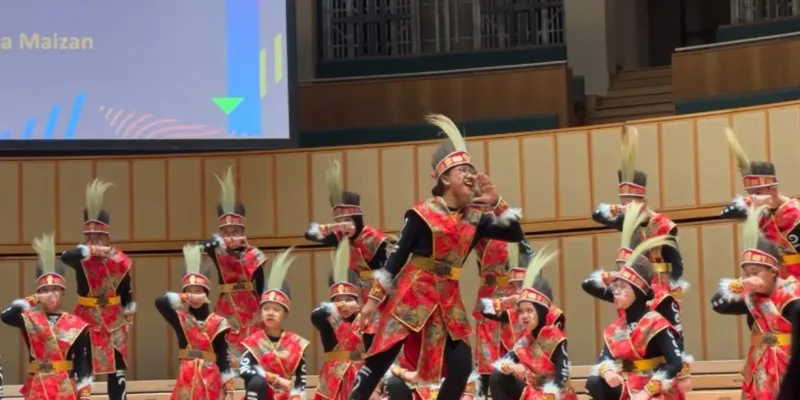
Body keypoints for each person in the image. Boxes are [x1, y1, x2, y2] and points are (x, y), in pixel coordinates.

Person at [348, 114, 526, 400]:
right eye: (462, 170)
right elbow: (396, 259)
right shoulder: (422, 212)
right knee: (380, 359)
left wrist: (498, 202)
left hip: (448, 299)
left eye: (472, 170)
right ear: (445, 179)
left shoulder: (476, 219)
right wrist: (371, 303)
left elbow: (515, 233)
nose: (471, 175)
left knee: (460, 365)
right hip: (413, 293)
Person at [582, 202, 692, 385]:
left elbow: (677, 336)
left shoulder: (661, 297)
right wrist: (613, 277)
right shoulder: (620, 292)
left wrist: (683, 376)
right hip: (629, 377)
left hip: (657, 379)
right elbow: (588, 285)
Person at [710, 205, 800, 399]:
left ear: (773, 271)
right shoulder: (751, 297)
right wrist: (740, 285)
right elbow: (717, 304)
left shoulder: (791, 294)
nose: (750, 278)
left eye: (756, 272)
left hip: (787, 365)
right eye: (746, 273)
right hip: (759, 365)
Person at [585, 236, 684, 400]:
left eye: (623, 287)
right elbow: (604, 358)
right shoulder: (616, 327)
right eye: (616, 287)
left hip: (654, 387)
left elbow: (675, 363)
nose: (616, 292)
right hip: (629, 382)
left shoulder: (655, 321)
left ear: (638, 292)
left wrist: (647, 391)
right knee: (595, 382)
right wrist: (608, 371)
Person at [60, 179, 134, 400]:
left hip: (114, 319)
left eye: (99, 237)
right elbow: (65, 257)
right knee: (83, 364)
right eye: (89, 238)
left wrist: (128, 318)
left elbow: (127, 292)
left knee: (117, 367)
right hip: (86, 317)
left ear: (107, 237)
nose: (94, 241)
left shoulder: (120, 260)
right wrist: (90, 250)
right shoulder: (81, 259)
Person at [305, 159, 394, 340]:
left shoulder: (375, 239)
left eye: (349, 222)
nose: (344, 227)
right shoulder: (341, 237)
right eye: (339, 223)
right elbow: (308, 234)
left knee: (386, 334)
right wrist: (329, 228)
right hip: (362, 295)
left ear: (358, 220)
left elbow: (389, 274)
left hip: (384, 294)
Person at [591, 127, 685, 296]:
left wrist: (671, 293)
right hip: (631, 287)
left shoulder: (662, 225)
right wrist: (620, 210)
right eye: (624, 203)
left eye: (632, 203)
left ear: (645, 201)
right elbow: (596, 215)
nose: (629, 208)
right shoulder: (626, 220)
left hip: (658, 288)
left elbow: (677, 264)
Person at [2, 234, 93, 400]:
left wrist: (85, 393)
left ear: (63, 292)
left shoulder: (76, 324)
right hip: (37, 385)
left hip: (64, 386)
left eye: (54, 289)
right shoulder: (30, 318)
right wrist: (34, 299)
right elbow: (6, 316)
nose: (49, 294)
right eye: (44, 290)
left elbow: (82, 360)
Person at [487, 247, 577, 400]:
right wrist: (512, 366)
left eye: (530, 311)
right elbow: (504, 361)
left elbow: (563, 374)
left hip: (553, 396)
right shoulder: (525, 340)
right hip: (532, 392)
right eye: (521, 311)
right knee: (498, 376)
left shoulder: (555, 335)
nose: (524, 316)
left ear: (541, 312)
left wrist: (549, 395)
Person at [202, 167, 268, 366]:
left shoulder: (254, 254)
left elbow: (261, 285)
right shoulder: (218, 251)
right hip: (226, 305)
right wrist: (218, 243)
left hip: (250, 304)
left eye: (236, 230)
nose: (231, 235)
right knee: (226, 342)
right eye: (227, 231)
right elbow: (200, 246)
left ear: (243, 230)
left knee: (253, 344)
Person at [155, 244, 235, 400]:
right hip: (187, 376)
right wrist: (184, 297)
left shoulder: (219, 322)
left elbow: (224, 357)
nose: (194, 295)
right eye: (189, 291)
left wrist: (229, 390)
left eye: (198, 291)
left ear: (206, 294)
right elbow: (160, 303)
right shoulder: (180, 318)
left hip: (210, 377)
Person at [720, 127, 800, 279]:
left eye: (758, 193)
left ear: (773, 188)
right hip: (780, 276)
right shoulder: (763, 215)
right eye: (751, 195)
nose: (754, 198)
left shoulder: (794, 212)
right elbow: (726, 213)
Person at [471, 228, 534, 397]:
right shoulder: (477, 234)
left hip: (510, 292)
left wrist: (522, 293)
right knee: (485, 355)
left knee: (513, 346)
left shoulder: (512, 234)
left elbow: (529, 261)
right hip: (488, 293)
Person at [239, 248, 309, 400]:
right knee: (257, 382)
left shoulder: (296, 342)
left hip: (285, 396)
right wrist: (274, 378)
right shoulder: (253, 341)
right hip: (259, 394)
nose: (270, 313)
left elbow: (301, 378)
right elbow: (244, 370)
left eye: (276, 310)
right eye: (266, 309)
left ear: (285, 314)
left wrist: (298, 395)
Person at [311, 237, 369, 400]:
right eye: (337, 300)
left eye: (349, 299)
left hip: (360, 374)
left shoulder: (365, 321)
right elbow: (316, 314)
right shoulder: (327, 320)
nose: (343, 304)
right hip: (333, 376)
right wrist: (334, 310)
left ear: (358, 304)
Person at [380, 342, 483, 400]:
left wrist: (468, 394)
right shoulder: (407, 339)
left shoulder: (452, 340)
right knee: (394, 384)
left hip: (448, 388)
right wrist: (407, 374)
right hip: (415, 387)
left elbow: (465, 372)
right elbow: (393, 367)